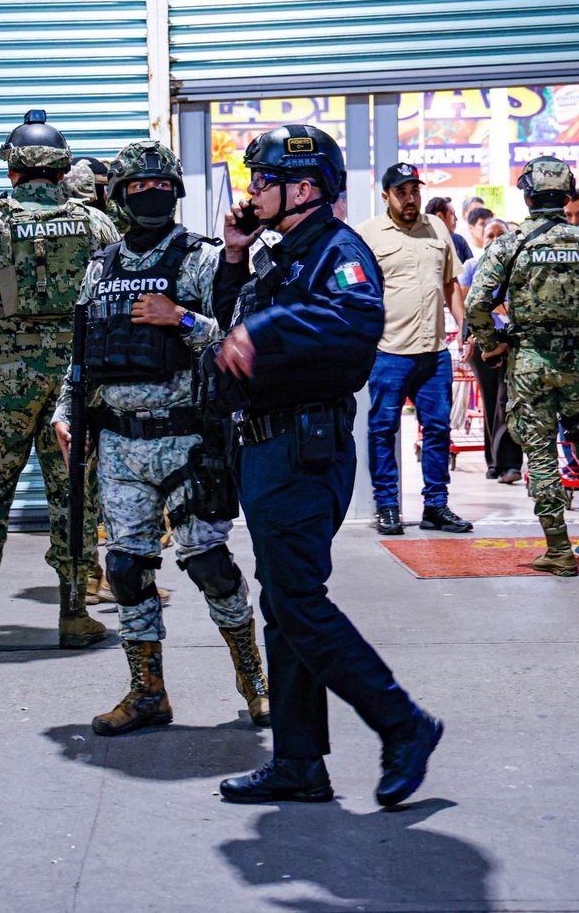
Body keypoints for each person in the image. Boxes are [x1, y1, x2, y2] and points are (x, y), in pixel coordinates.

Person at [213, 124, 442, 808]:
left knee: (298, 603)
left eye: (264, 181)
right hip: (267, 446)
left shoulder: (339, 251)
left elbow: (354, 323)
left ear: (305, 189)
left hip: (302, 450)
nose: (253, 192)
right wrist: (234, 256)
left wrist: (264, 330)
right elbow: (230, 323)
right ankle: (299, 763)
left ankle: (402, 723)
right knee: (283, 606)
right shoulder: (284, 253)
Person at [51, 140, 270, 735]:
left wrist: (182, 318)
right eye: (139, 188)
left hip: (187, 441)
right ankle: (147, 691)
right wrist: (66, 413)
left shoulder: (202, 258)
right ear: (119, 197)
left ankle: (254, 683)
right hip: (120, 449)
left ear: (176, 192)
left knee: (210, 566)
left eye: (162, 186)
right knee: (126, 569)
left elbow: (236, 337)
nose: (152, 195)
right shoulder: (99, 267)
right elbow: (81, 355)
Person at [0, 110, 118, 652]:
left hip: (3, 379)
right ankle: (74, 615)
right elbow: (114, 304)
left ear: (12, 171)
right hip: (75, 378)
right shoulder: (96, 225)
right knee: (74, 491)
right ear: (62, 171)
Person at [466, 157, 579, 575]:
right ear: (566, 195)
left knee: (541, 454)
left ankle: (559, 550)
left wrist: (490, 345)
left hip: (529, 363)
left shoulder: (509, 245)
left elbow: (476, 303)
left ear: (527, 196)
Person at [357, 162, 472, 536]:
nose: (410, 199)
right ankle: (387, 506)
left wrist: (466, 328)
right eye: (401, 193)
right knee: (383, 430)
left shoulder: (437, 228)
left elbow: (451, 285)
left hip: (434, 352)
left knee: (437, 429)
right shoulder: (368, 235)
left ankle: (436, 506)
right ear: (386, 196)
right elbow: (353, 291)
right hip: (389, 352)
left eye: (414, 191)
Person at [459, 219, 523, 483]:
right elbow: (465, 306)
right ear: (481, 239)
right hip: (481, 343)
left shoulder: (518, 267)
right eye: (490, 235)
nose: (495, 240)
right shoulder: (472, 266)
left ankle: (510, 464)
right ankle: (494, 462)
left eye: (500, 234)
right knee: (490, 401)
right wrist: (467, 339)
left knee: (506, 400)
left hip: (511, 341)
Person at [425, 196, 472, 263]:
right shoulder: (420, 245)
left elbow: (472, 267)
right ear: (440, 217)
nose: (456, 219)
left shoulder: (459, 241)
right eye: (452, 214)